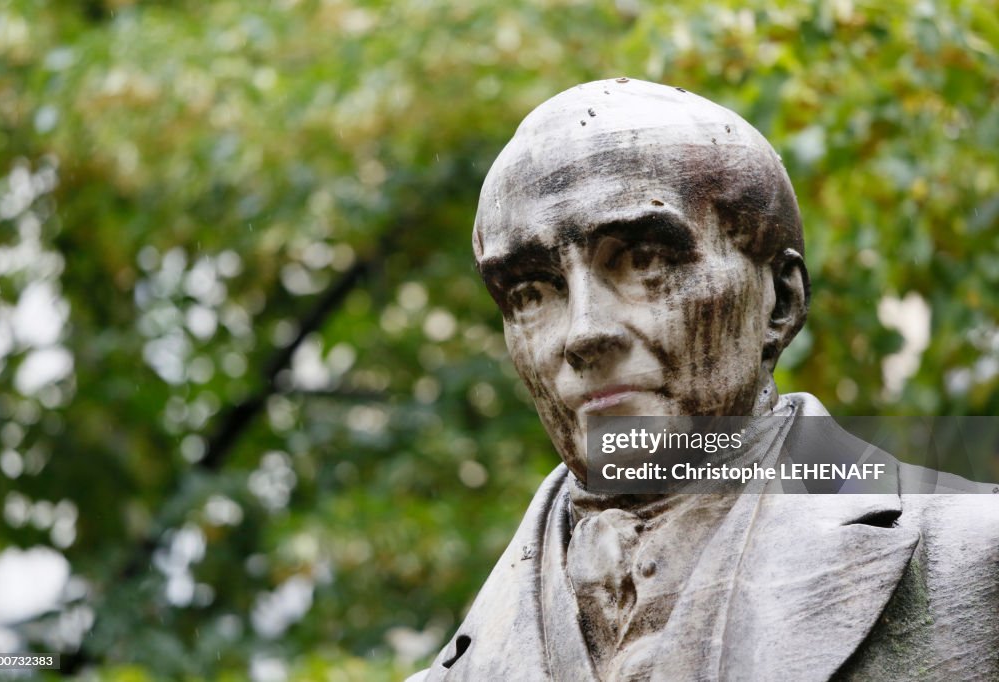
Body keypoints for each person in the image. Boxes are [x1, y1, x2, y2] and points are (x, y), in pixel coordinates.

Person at [410, 79, 999, 681]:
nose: (582, 333)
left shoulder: (978, 559)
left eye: (644, 261)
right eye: (531, 291)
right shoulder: (454, 670)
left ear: (780, 302)